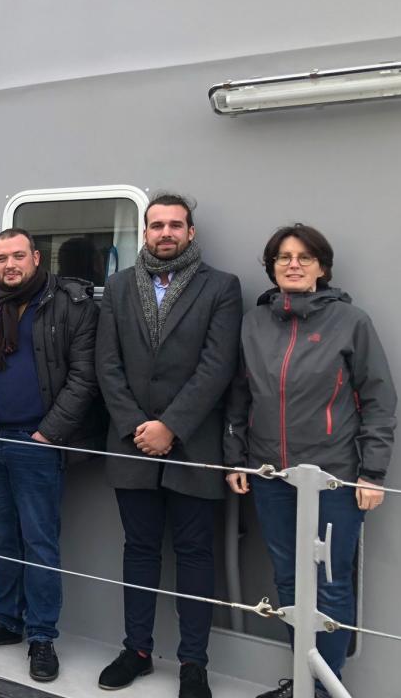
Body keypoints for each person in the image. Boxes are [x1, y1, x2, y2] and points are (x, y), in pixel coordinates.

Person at [225, 225, 397, 698]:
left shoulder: (351, 321)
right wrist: (236, 458)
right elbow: (240, 396)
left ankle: (325, 687)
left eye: (304, 256)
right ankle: (304, 677)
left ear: (322, 267)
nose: (293, 264)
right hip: (270, 475)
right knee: (288, 581)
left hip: (334, 479)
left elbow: (378, 399)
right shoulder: (253, 322)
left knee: (330, 584)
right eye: (283, 257)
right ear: (272, 266)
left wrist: (372, 472)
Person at [95, 193, 242, 698]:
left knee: (195, 554)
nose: (165, 233)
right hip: (131, 442)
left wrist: (171, 427)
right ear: (145, 232)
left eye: (175, 225)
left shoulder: (221, 287)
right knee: (138, 550)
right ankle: (136, 650)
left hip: (194, 444)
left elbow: (217, 367)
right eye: (156, 225)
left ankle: (192, 665)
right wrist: (139, 425)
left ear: (190, 232)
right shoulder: (117, 288)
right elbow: (106, 364)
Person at [0, 229, 99, 683]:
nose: (9, 265)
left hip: (36, 442)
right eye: (1, 257)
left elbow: (83, 377)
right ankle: (7, 621)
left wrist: (48, 434)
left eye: (18, 255)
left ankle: (42, 636)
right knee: (3, 536)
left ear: (37, 257)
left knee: (40, 543)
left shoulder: (69, 303)